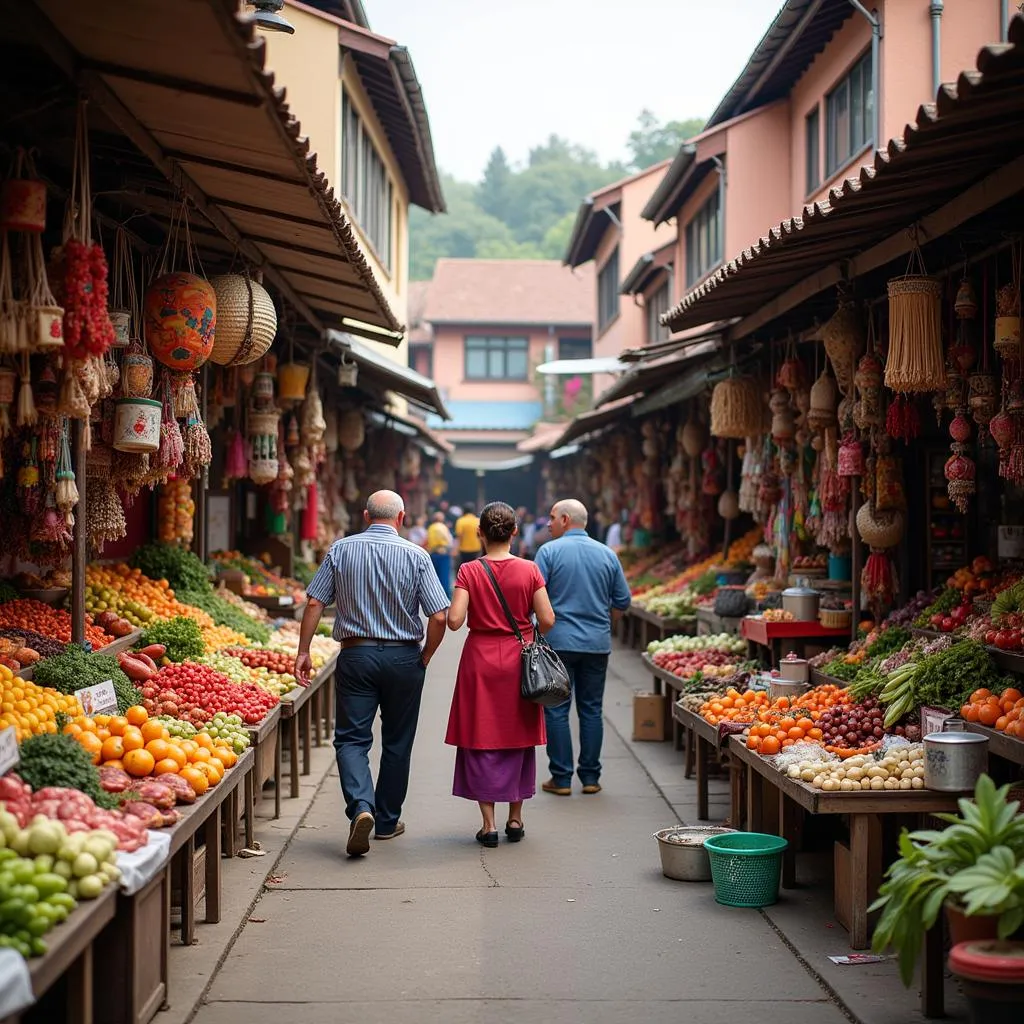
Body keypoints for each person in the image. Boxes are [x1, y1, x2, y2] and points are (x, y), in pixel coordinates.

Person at [295, 490, 450, 857]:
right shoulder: (417, 555)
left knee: (351, 739)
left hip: (356, 655)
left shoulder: (340, 550)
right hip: (403, 658)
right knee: (397, 741)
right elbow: (440, 615)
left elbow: (316, 601)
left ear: (366, 515)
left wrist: (303, 651)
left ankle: (361, 807)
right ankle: (385, 820)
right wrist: (425, 655)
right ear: (402, 517)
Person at [445, 502, 555, 847]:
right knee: (517, 736)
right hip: (519, 658)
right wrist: (526, 630)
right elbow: (548, 620)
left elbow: (454, 621)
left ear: (479, 533)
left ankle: (489, 825)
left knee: (481, 737)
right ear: (514, 532)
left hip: (479, 659)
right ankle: (516, 818)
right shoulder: (530, 570)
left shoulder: (469, 571)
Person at [534, 498, 631, 796]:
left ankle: (561, 779)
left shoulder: (548, 552)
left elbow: (533, 598)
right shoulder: (607, 554)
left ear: (565, 519)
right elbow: (623, 602)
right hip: (596, 644)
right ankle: (590, 778)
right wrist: (601, 622)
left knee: (557, 709)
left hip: (557, 644)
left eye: (552, 517)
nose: (548, 523)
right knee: (591, 710)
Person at [426, 511, 454, 597]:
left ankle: (434, 596)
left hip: (433, 554)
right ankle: (445, 597)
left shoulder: (430, 528)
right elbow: (449, 541)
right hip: (443, 554)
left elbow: (428, 540)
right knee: (444, 577)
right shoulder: (443, 527)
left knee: (434, 577)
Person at [454, 503, 482, 567]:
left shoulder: (460, 521)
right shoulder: (478, 521)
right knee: (474, 569)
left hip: (463, 551)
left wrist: (455, 550)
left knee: (464, 569)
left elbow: (459, 536)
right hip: (476, 550)